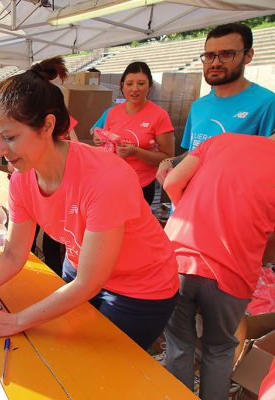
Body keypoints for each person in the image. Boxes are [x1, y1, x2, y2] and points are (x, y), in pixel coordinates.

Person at [0, 57, 179, 350]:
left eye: (9, 137)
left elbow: (88, 282)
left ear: (47, 125)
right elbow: (13, 255)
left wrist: (17, 320)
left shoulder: (105, 176)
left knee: (101, 367)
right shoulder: (22, 179)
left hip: (140, 289)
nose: (0, 151)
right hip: (81, 274)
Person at [162, 133, 275, 400]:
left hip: (177, 257)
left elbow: (172, 181)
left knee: (178, 344)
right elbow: (271, 244)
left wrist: (189, 211)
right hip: (233, 272)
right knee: (220, 350)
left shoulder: (222, 141)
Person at [157, 22, 275, 185]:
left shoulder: (267, 103)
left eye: (227, 54)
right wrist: (170, 162)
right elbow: (194, 152)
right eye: (210, 55)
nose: (215, 63)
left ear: (248, 55)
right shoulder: (199, 105)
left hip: (230, 207)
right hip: (187, 203)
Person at [92, 61, 174, 205]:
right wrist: (100, 140)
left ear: (150, 86)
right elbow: (107, 144)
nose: (134, 89)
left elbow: (167, 157)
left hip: (141, 186)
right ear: (122, 86)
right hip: (113, 181)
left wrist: (136, 152)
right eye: (129, 84)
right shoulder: (112, 113)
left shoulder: (159, 116)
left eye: (141, 83)